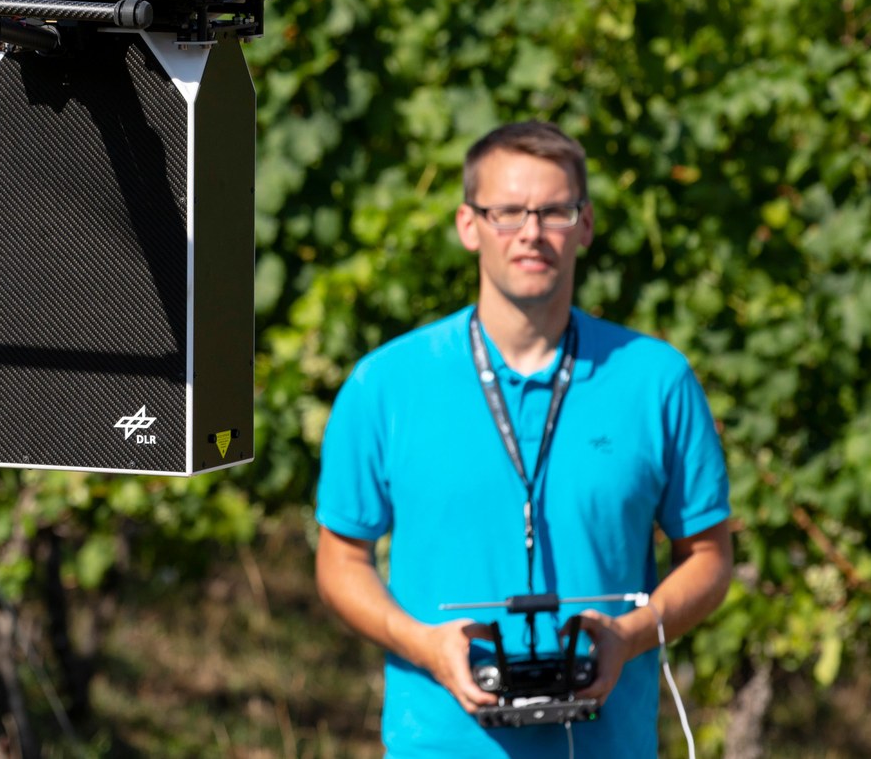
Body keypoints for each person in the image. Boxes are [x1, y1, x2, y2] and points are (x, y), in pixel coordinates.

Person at [314, 121, 733, 758]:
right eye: (507, 212)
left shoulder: (657, 381)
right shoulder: (385, 385)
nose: (531, 233)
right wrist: (422, 643)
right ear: (468, 224)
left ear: (586, 225)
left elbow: (709, 556)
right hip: (438, 743)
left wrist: (627, 636)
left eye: (555, 211)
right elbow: (341, 560)